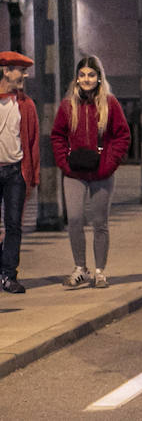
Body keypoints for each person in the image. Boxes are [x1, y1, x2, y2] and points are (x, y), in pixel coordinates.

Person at [51, 56, 131, 289]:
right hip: (74, 173)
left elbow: (122, 136)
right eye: (83, 75)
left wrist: (109, 163)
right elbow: (57, 136)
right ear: (77, 77)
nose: (87, 79)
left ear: (98, 78)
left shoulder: (110, 103)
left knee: (100, 223)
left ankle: (99, 271)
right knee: (75, 219)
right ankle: (80, 268)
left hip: (102, 174)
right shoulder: (68, 105)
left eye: (91, 75)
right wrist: (65, 163)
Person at [0, 51, 40, 294]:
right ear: (5, 70)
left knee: (14, 225)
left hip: (16, 173)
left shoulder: (25, 104)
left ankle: (9, 274)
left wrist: (33, 176)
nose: (24, 75)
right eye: (19, 70)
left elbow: (33, 142)